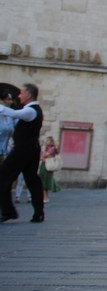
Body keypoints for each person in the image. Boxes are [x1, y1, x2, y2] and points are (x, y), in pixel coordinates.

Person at [0, 83, 46, 223]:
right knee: (32, 179)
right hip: (31, 149)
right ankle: (38, 213)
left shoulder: (31, 111)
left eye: (21, 93)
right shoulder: (32, 110)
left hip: (23, 150)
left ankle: (9, 212)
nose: (19, 96)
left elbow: (13, 113)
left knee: (3, 177)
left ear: (29, 95)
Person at [38, 136, 61, 204]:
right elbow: (41, 157)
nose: (46, 142)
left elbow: (43, 156)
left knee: (43, 182)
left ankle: (45, 198)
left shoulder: (52, 149)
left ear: (51, 142)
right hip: (45, 165)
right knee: (44, 182)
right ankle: (45, 197)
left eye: (47, 140)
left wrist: (42, 153)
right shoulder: (48, 148)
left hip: (47, 166)